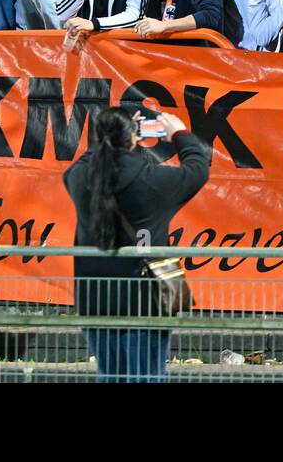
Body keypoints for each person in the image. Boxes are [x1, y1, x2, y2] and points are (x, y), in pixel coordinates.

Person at [62, 106, 209, 383]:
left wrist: (109, 139)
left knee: (110, 376)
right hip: (144, 301)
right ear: (133, 138)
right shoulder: (153, 181)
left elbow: (82, 164)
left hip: (95, 300)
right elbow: (198, 169)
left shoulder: (80, 179)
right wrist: (179, 134)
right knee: (147, 376)